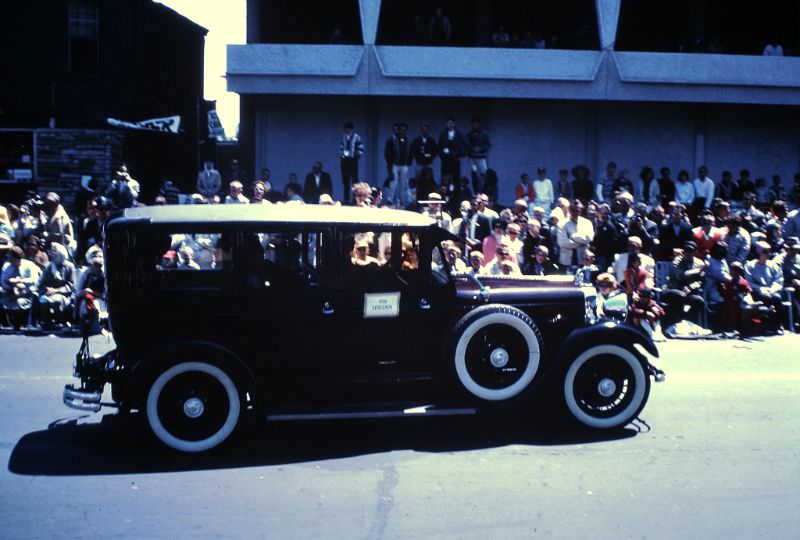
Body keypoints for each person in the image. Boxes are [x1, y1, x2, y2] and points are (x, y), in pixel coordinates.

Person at [744, 241, 785, 330]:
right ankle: (764, 324)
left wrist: (772, 290)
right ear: (758, 252)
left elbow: (779, 280)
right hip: (757, 291)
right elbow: (749, 282)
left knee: (777, 298)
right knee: (765, 298)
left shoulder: (773, 265)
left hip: (771, 291)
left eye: (769, 251)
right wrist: (761, 289)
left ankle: (777, 324)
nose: (768, 254)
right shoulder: (750, 265)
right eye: (765, 252)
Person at [36, 242, 76, 329]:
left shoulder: (69, 266)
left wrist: (57, 290)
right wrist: (47, 289)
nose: (51, 256)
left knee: (56, 300)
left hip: (64, 294)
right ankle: (47, 322)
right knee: (43, 300)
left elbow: (71, 286)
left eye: (54, 254)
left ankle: (61, 320)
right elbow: (41, 283)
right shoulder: (49, 266)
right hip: (49, 293)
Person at [1, 246, 41, 328]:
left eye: (12, 258)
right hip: (11, 290)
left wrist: (20, 281)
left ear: (18, 258)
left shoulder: (29, 265)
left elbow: (35, 280)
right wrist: (11, 285)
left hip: (27, 290)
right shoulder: (7, 266)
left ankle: (19, 323)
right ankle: (4, 322)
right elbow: (3, 281)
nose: (10, 260)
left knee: (21, 300)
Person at [557, 199, 594, 269]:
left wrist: (573, 236)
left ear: (581, 210)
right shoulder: (562, 223)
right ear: (569, 210)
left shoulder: (587, 223)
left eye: (577, 210)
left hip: (583, 260)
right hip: (565, 262)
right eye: (572, 210)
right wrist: (582, 243)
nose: (575, 212)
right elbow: (562, 242)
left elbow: (589, 238)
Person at [385, 123, 413, 208]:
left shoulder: (407, 140)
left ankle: (402, 200)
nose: (402, 132)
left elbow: (410, 152)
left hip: (404, 165)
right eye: (401, 130)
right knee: (393, 182)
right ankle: (390, 199)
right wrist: (389, 163)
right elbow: (387, 153)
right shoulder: (392, 140)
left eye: (404, 130)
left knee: (403, 184)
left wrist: (408, 162)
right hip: (395, 164)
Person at [340, 121, 365, 203]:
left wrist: (355, 156)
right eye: (345, 128)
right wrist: (342, 155)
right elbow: (340, 148)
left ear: (351, 129)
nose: (346, 130)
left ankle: (355, 200)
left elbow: (361, 149)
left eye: (348, 128)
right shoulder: (343, 137)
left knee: (354, 181)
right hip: (345, 162)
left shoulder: (356, 137)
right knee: (345, 181)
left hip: (353, 161)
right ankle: (346, 199)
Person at [438, 117, 465, 190]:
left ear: (454, 124)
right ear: (446, 124)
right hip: (445, 160)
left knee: (455, 178)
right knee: (445, 177)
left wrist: (460, 155)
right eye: (449, 123)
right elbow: (440, 146)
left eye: (452, 123)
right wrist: (442, 155)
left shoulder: (459, 134)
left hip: (455, 160)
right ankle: (445, 192)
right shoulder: (443, 134)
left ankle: (455, 193)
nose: (450, 125)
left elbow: (462, 145)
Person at [466, 117, 491, 193]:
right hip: (472, 157)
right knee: (474, 173)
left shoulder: (484, 133)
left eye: (476, 123)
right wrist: (471, 149)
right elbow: (467, 144)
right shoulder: (470, 134)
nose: (474, 125)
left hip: (481, 157)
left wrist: (481, 149)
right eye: (473, 124)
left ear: (479, 124)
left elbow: (488, 145)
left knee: (483, 173)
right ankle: (475, 190)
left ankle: (482, 190)